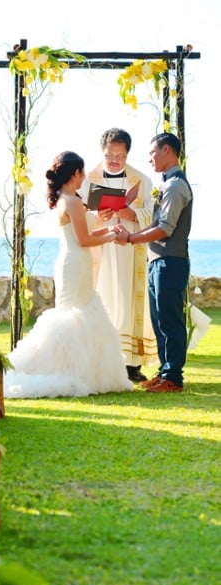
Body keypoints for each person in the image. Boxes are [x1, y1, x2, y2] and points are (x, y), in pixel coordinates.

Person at [4, 151, 134, 398]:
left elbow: (83, 236)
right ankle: (62, 370)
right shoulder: (72, 201)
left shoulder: (70, 200)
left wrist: (106, 228)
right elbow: (84, 240)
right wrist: (113, 236)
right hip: (75, 262)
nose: (84, 177)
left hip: (74, 260)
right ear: (76, 174)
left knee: (82, 310)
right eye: (82, 172)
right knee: (72, 313)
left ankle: (87, 373)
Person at [114, 132, 193, 393]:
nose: (149, 159)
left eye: (152, 153)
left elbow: (165, 228)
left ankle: (173, 377)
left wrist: (130, 238)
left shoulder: (176, 186)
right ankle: (164, 372)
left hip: (171, 261)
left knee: (170, 319)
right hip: (158, 260)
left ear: (167, 150)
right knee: (159, 319)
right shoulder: (167, 184)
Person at [80, 128, 157, 382]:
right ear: (102, 152)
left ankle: (131, 365)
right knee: (99, 299)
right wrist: (96, 217)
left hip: (128, 252)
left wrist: (133, 215)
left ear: (127, 154)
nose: (114, 160)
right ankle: (97, 361)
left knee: (126, 301)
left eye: (120, 156)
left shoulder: (142, 182)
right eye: (109, 155)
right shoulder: (86, 181)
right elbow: (75, 217)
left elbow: (154, 216)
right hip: (98, 251)